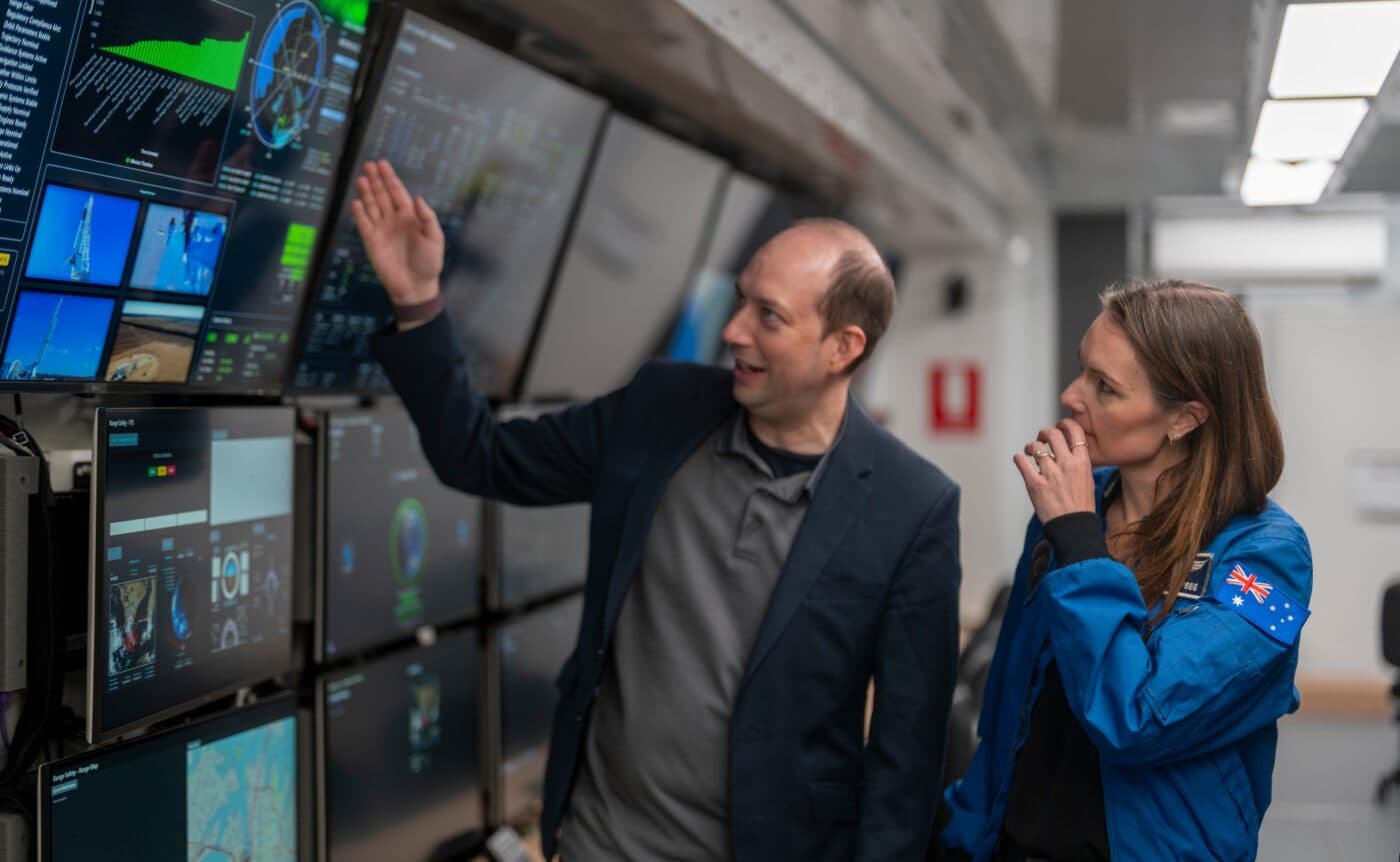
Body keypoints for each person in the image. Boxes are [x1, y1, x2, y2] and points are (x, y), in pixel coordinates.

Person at [352, 159, 962, 861]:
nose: (734, 330)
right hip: (598, 843)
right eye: (741, 300)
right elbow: (480, 457)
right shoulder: (660, 408)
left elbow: (906, 757)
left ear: (842, 349)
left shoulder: (912, 507)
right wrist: (420, 300)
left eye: (770, 316)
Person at [934, 280, 1312, 862]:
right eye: (1082, 370)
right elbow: (1009, 695)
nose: (1070, 395)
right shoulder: (1074, 512)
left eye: (1104, 388)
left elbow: (1137, 717)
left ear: (1185, 418)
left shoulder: (1266, 559)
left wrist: (1081, 542)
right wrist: (965, 832)